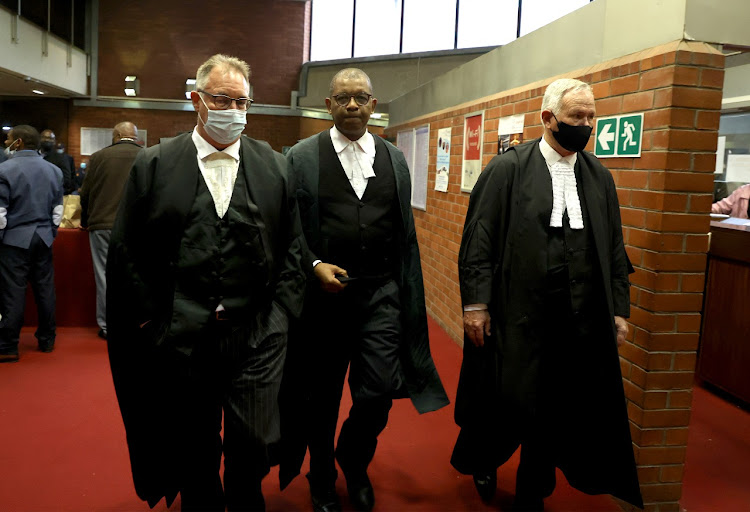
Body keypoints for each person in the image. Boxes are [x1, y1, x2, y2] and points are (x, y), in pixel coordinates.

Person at [106, 54, 306, 512]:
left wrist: (280, 316)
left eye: (242, 102)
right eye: (221, 99)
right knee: (194, 447)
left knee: (252, 442)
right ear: (196, 100)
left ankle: (244, 496)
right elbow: (127, 250)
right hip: (182, 337)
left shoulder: (274, 166)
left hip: (256, 334)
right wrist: (154, 319)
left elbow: (294, 246)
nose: (232, 110)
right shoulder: (155, 164)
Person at [451, 78, 643, 511]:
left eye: (592, 116)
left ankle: (531, 492)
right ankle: (484, 459)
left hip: (576, 319)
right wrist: (476, 305)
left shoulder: (599, 178)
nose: (587, 124)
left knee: (553, 410)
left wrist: (618, 310)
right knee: (507, 403)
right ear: (548, 118)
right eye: (578, 116)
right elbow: (478, 240)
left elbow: (614, 248)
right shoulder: (507, 170)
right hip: (516, 314)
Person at [286, 68, 449, 512]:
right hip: (322, 302)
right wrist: (313, 264)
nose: (352, 105)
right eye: (343, 98)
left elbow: (403, 231)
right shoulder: (301, 156)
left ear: (375, 105)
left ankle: (353, 460)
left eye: (361, 98)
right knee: (320, 399)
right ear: (329, 105)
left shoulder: (394, 158)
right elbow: (287, 228)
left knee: (377, 393)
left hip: (380, 295)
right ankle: (321, 474)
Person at [0, 125, 64, 362]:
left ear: (18, 142)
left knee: (13, 293)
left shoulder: (4, 170)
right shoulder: (54, 170)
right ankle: (47, 340)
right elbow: (58, 210)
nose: (6, 142)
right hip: (44, 237)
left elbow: (0, 214)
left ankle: (8, 345)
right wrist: (50, 233)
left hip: (14, 240)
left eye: (8, 139)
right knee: (45, 290)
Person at [80, 121, 142, 340]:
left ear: (115, 135)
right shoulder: (148, 155)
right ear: (135, 136)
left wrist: (85, 220)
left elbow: (85, 193)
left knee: (105, 276)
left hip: (102, 224)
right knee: (135, 275)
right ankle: (135, 322)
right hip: (137, 228)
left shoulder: (97, 157)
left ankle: (108, 326)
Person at [40, 129, 74, 194]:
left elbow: (66, 180)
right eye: (44, 137)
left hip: (53, 193)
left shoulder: (61, 158)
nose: (47, 140)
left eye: (50, 138)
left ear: (54, 141)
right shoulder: (35, 155)